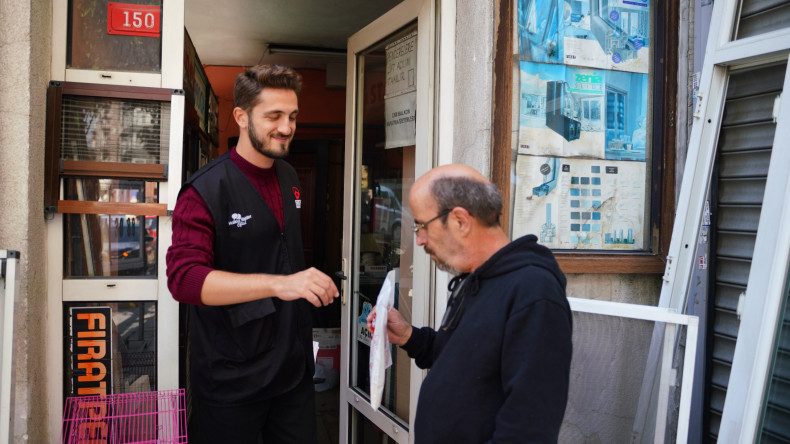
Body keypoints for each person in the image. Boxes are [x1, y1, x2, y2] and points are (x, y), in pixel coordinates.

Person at [166, 64, 339, 444]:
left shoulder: (290, 177)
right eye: (273, 116)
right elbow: (185, 280)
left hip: (292, 370)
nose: (287, 127)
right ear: (241, 117)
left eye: (292, 116)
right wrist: (281, 284)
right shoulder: (204, 191)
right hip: (232, 377)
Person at [368, 164, 572, 443]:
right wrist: (408, 336)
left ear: (460, 221)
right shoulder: (475, 278)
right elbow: (458, 359)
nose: (419, 240)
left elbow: (527, 430)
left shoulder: (534, 294)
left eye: (421, 226)